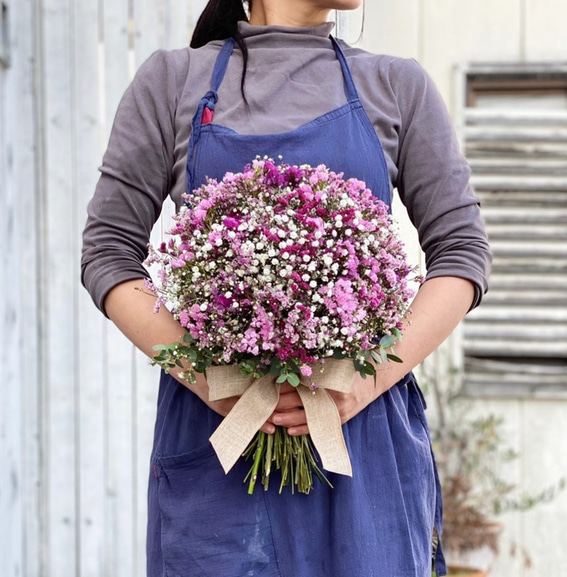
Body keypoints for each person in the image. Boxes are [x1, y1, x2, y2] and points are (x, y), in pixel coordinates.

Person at [81, 0, 491, 575]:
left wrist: (358, 385)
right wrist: (214, 382)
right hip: (219, 442)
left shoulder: (398, 85)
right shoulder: (172, 82)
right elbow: (108, 252)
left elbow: (462, 252)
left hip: (361, 444)